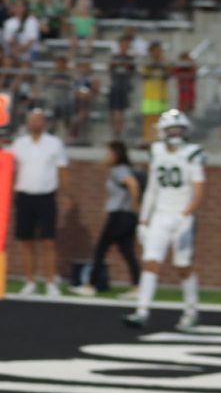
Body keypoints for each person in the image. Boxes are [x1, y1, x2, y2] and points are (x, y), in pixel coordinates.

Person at [126, 110, 204, 330]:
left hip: (182, 215)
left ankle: (191, 310)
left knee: (182, 265)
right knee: (151, 261)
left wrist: (185, 216)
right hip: (161, 214)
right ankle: (141, 311)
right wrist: (143, 220)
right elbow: (152, 189)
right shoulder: (157, 152)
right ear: (163, 132)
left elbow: (198, 192)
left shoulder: (192, 154)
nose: (175, 133)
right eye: (171, 129)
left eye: (179, 129)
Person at [72, 141, 142, 297]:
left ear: (116, 155)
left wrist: (135, 206)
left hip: (120, 215)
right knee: (127, 251)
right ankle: (138, 286)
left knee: (100, 249)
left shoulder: (119, 170)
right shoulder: (119, 170)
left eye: (109, 153)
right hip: (125, 215)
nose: (106, 156)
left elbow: (133, 185)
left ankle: (90, 285)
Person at [11, 109, 67, 297]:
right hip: (25, 195)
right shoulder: (19, 144)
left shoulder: (54, 143)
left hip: (46, 195)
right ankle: (30, 281)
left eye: (39, 120)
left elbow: (62, 169)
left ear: (45, 123)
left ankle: (51, 281)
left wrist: (66, 195)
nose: (35, 123)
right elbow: (10, 167)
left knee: (49, 241)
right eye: (32, 120)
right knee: (26, 241)